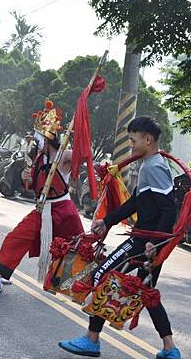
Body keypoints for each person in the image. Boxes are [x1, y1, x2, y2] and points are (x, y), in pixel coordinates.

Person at [59, 117, 180, 359]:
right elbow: (136, 201)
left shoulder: (154, 167)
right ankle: (170, 348)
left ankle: (92, 340)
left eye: (134, 140)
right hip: (149, 242)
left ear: (148, 139)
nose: (132, 145)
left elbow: (168, 209)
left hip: (143, 242)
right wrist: (109, 221)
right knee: (147, 291)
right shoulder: (150, 164)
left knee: (103, 275)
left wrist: (153, 243)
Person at [0, 100, 83, 292]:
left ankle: (87, 287)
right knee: (15, 238)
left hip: (64, 211)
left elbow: (82, 155)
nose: (35, 138)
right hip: (42, 210)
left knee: (79, 249)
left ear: (47, 136)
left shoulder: (63, 156)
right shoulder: (38, 157)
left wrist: (79, 129)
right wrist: (27, 179)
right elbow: (34, 187)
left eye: (39, 135)